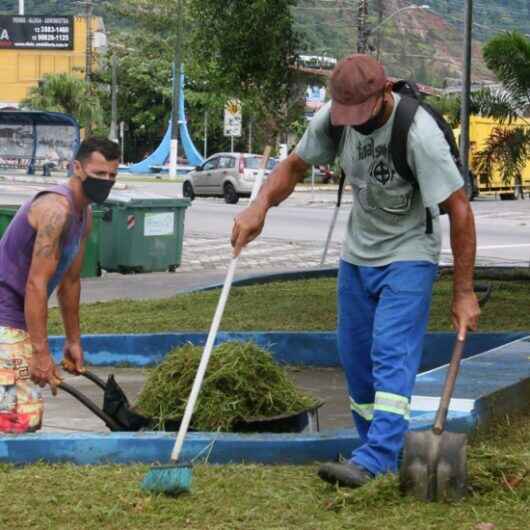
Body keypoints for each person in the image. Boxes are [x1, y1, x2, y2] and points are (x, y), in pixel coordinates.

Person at [231, 54, 480, 488]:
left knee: (390, 353)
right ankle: (376, 449)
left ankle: (377, 458)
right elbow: (294, 165)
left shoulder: (417, 133)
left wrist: (463, 292)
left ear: (385, 92)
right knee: (356, 359)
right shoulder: (334, 119)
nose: (355, 123)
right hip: (358, 254)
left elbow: (459, 210)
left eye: (361, 113)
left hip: (409, 253)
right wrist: (259, 207)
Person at [0, 137, 120, 433]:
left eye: (112, 176)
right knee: (17, 420)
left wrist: (73, 341)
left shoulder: (84, 213)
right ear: (77, 168)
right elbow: (36, 284)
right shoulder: (56, 209)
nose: (106, 181)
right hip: (4, 317)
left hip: (18, 317)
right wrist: (41, 353)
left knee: (21, 418)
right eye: (99, 173)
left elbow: (70, 280)